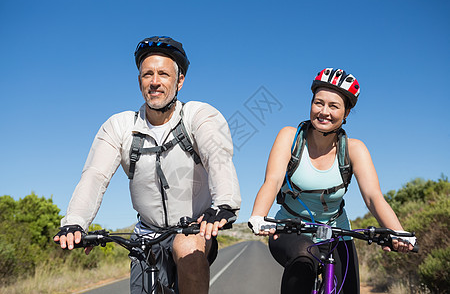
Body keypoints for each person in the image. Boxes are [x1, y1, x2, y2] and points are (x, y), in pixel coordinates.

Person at [53, 36, 241, 294]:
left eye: (164, 74)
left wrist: (225, 204)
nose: (155, 82)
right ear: (139, 80)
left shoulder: (199, 115)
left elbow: (217, 156)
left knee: (187, 248)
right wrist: (75, 222)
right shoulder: (120, 126)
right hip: (146, 234)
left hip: (192, 229)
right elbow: (95, 176)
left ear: (180, 81)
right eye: (147, 74)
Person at [248, 68, 416, 294]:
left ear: (346, 113)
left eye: (334, 106)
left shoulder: (355, 150)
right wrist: (259, 216)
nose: (324, 111)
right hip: (291, 229)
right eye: (318, 103)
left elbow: (373, 198)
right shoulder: (290, 137)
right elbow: (273, 181)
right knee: (304, 259)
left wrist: (398, 233)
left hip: (337, 232)